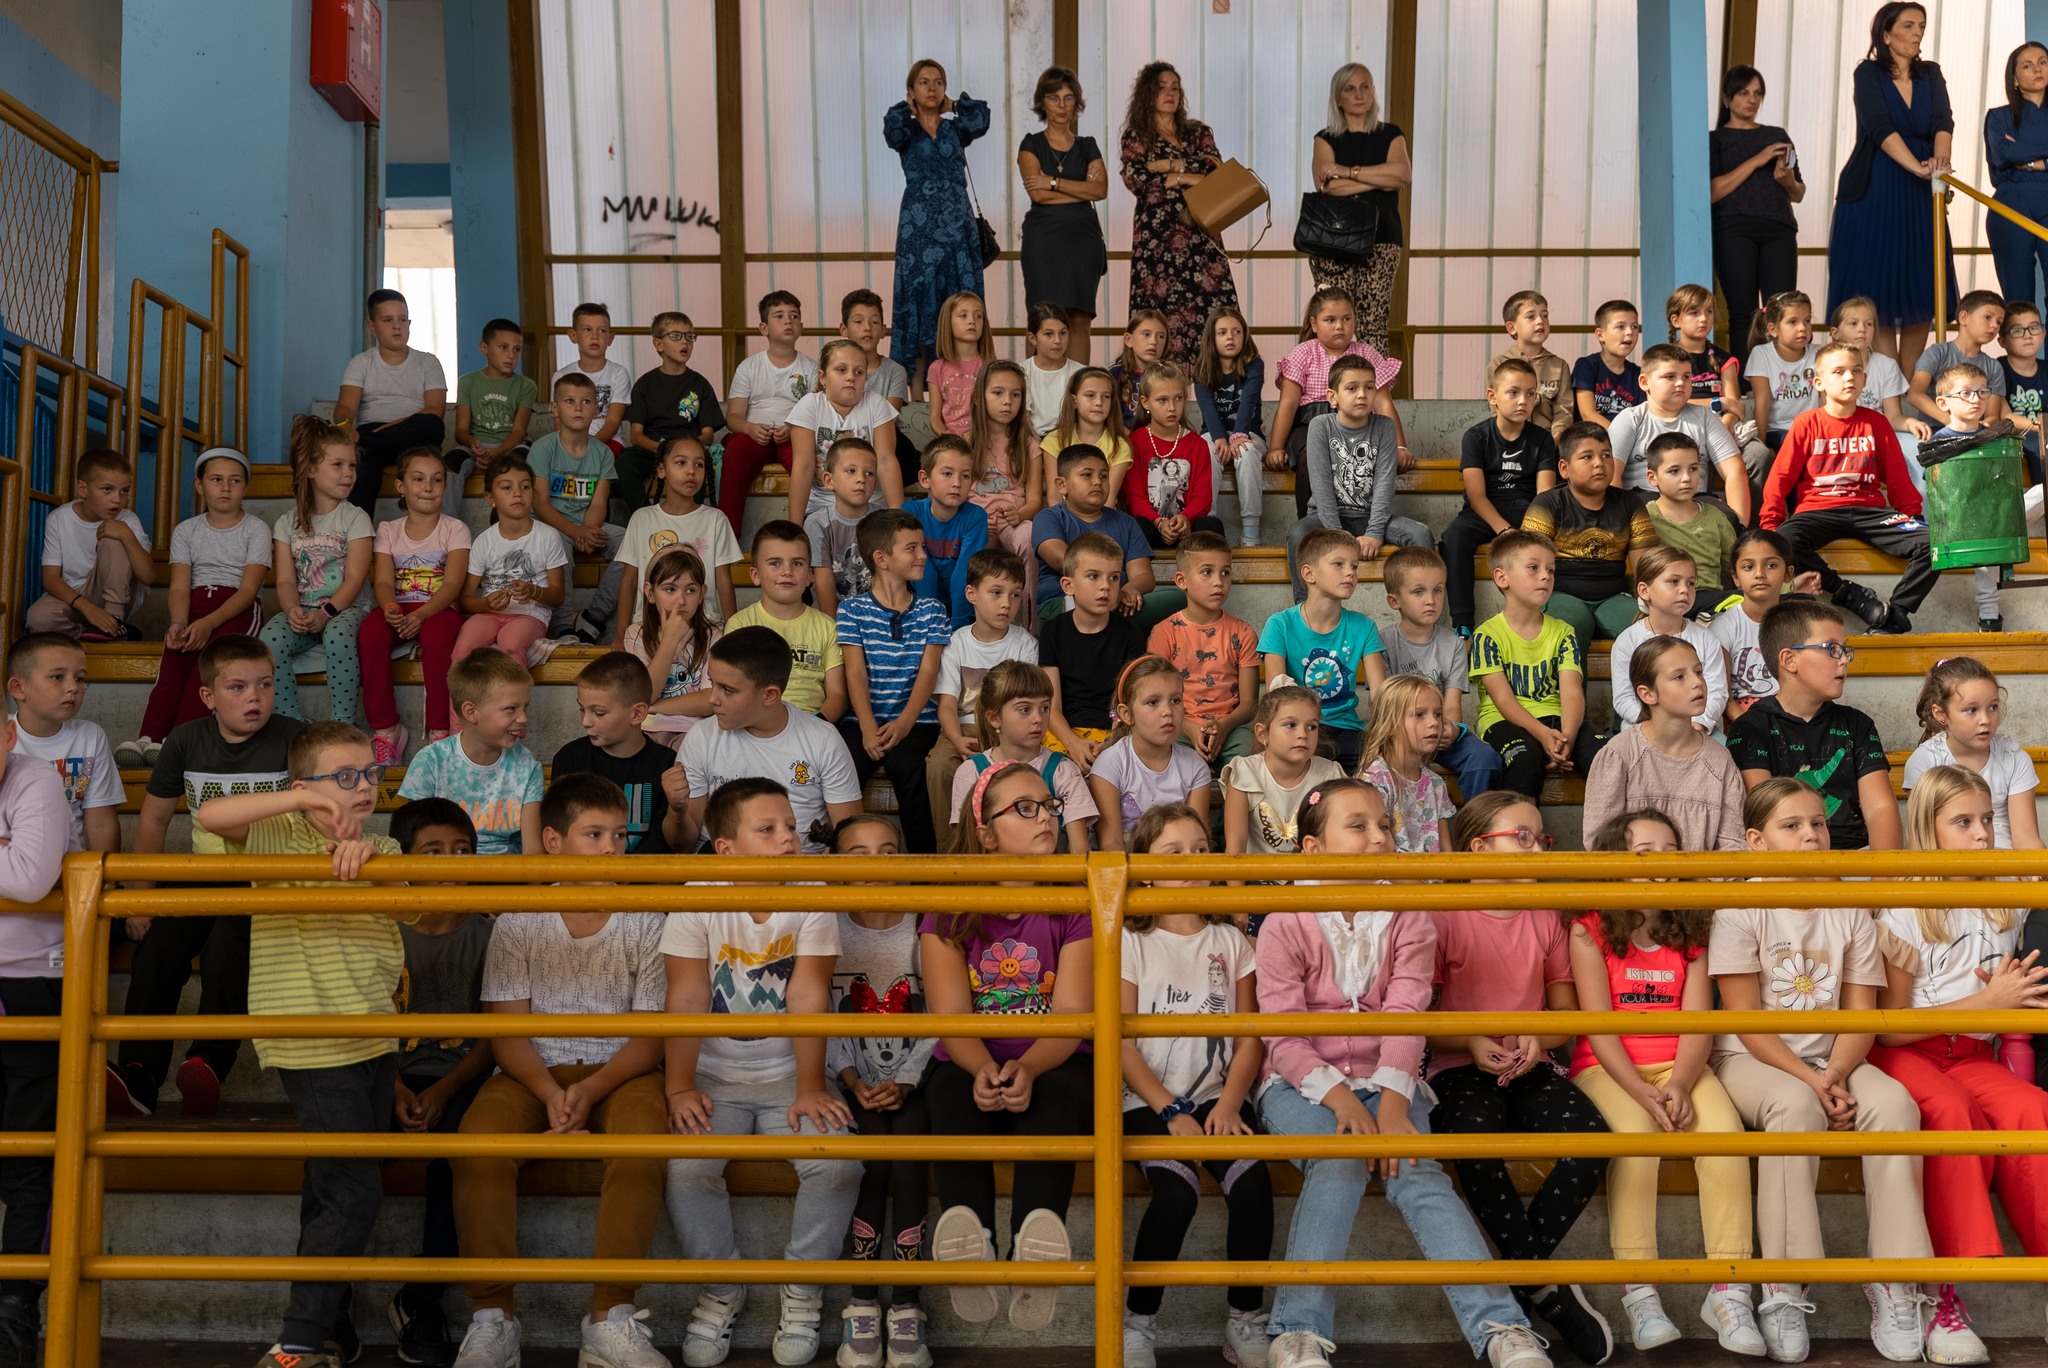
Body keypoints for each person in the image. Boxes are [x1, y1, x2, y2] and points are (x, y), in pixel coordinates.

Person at [1255, 779, 1553, 1368]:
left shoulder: (1409, 915)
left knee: (1416, 1170)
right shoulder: (1284, 921)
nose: (1378, 837)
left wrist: (1392, 1099)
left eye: (1385, 826)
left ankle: (1501, 1327)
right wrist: (1342, 1101)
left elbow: (1407, 1011)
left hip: (1389, 1076)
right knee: (1340, 1161)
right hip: (1300, 1084)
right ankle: (1297, 1331)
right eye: (1358, 826)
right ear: (1313, 848)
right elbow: (1283, 1035)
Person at [1710, 778, 1946, 1366]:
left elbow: (1861, 1014)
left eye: (1817, 823)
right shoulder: (1738, 909)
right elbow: (1745, 1022)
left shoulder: (1848, 906)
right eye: (1792, 826)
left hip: (1833, 1059)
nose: (1812, 835)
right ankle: (1786, 1285)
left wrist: (1834, 1072)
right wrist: (1815, 1083)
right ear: (1756, 841)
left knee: (1894, 1105)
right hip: (1753, 1059)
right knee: (1794, 1108)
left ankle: (1896, 1279)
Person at [196, 721, 404, 1368]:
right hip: (311, 1039)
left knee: (329, 1188)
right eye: (343, 777)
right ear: (304, 786)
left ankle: (330, 1327)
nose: (363, 786)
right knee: (354, 1193)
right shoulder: (278, 833)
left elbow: (420, 907)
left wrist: (372, 866)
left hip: (375, 1037)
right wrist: (296, 800)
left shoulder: (385, 847)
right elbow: (208, 814)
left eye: (370, 773)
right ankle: (298, 1343)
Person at [449, 774, 673, 1368]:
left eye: (619, 835)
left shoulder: (648, 916)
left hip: (622, 1072)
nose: (611, 848)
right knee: (477, 1145)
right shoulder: (520, 917)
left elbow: (651, 1035)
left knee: (644, 1143)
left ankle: (610, 1317)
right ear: (553, 841)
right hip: (531, 1072)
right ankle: (493, 1318)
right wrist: (550, 1090)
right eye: (593, 835)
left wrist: (592, 1088)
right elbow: (507, 1030)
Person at [1431, 790, 1617, 1367]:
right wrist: (1471, 1040)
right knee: (1473, 1142)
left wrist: (1541, 1037)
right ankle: (1550, 1295)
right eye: (1524, 837)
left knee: (1592, 1141)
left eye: (1542, 839)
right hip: (1459, 1065)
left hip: (1531, 1064)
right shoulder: (1441, 914)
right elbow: (1418, 1020)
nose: (1539, 848)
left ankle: (1519, 1283)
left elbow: (1563, 1013)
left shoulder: (1545, 917)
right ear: (1478, 848)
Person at [1566, 810, 1761, 1358]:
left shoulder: (1691, 926)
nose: (1661, 862)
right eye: (1644, 852)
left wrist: (1680, 1081)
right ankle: (1640, 1291)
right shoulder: (1589, 928)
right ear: (1614, 862)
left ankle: (1729, 1289)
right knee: (1636, 1141)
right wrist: (1640, 1091)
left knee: (1724, 1139)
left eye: (1671, 850)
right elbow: (1598, 1026)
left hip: (1682, 1065)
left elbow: (1699, 1020)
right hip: (1609, 1068)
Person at [1870, 766, 2048, 1354]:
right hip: (1910, 1054)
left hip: (1973, 1053)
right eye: (1963, 822)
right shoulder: (1904, 908)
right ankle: (1942, 1295)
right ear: (1928, 829)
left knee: (2033, 1112)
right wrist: (1987, 1002)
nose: (1982, 834)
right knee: (1951, 1114)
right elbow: (1890, 1030)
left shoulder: (2006, 898)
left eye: (1988, 820)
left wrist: (2006, 996)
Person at [924, 762, 1093, 1334]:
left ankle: (1033, 1253)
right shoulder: (949, 906)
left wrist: (1028, 1066)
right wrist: (981, 1068)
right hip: (969, 1058)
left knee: (1058, 1097)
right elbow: (950, 1017)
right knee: (949, 1094)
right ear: (987, 834)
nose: (1045, 816)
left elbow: (1071, 1016)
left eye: (1048, 805)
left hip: (1054, 1059)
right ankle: (970, 1242)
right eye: (1025, 808)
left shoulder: (1075, 899)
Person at [112, 636, 300, 1119]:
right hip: (203, 877)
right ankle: (138, 1072)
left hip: (268, 882)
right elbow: (153, 820)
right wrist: (141, 901)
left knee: (226, 947)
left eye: (265, 684)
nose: (255, 696)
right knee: (158, 947)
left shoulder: (295, 739)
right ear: (208, 696)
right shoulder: (185, 740)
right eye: (238, 687)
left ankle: (208, 1062)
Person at [1118, 804, 1271, 1368]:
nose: (1191, 861)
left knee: (1252, 1185)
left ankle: (1245, 1319)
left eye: (1201, 850)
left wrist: (1230, 1103)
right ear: (1144, 870)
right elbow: (1121, 1043)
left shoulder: (1232, 941)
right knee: (1177, 1192)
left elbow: (1250, 1037)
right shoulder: (1129, 942)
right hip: (1147, 1099)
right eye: (1173, 853)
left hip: (1218, 1096)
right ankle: (1138, 1323)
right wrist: (1167, 1110)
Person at [821, 814, 937, 1368]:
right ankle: (862, 1302)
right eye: (860, 853)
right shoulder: (827, 929)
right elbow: (818, 1017)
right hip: (849, 1083)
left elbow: (942, 1016)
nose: (877, 863)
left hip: (913, 1081)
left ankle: (907, 1304)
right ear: (836, 867)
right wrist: (852, 1080)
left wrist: (907, 1078)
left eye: (890, 851)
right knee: (868, 1159)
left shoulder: (922, 928)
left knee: (910, 1156)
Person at [382, 797, 492, 1368]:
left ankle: (423, 1299)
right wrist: (396, 1089)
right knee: (338, 1149)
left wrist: (444, 1090)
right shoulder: (381, 930)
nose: (450, 861)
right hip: (384, 1072)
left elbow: (493, 1037)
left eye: (462, 850)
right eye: (432, 851)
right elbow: (362, 1025)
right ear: (403, 860)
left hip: (462, 1077)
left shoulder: (490, 933)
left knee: (460, 1151)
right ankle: (328, 1301)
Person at [1762, 341, 1934, 635]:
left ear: (1865, 380)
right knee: (1784, 538)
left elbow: (1898, 479)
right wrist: (1770, 525)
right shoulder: (1806, 423)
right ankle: (1847, 593)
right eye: (1838, 372)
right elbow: (1779, 479)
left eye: (1856, 371)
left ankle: (1895, 614)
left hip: (1871, 512)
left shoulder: (1877, 423)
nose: (1849, 378)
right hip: (1818, 511)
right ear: (1819, 383)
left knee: (1934, 542)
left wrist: (1912, 519)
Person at [1826, 2, 1957, 366]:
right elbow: (1879, 126)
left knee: (1922, 283)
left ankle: (1910, 379)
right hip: (1874, 188)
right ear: (1886, 35)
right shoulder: (1868, 73)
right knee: (1876, 285)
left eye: (1922, 26)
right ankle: (1889, 384)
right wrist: (1917, 167)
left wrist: (1939, 164)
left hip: (1921, 192)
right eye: (1909, 25)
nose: (1918, 33)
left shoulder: (1931, 73)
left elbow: (1943, 121)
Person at [0, 704, 69, 1361]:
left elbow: (29, 878)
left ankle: (14, 1308)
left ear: (8, 734)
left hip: (27, 984)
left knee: (27, 1156)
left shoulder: (36, 779)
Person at [666, 626, 863, 854]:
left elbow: (849, 838)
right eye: (713, 683)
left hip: (802, 869)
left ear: (769, 695)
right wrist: (677, 811)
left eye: (727, 690)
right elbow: (681, 844)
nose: (713, 699)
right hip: (722, 869)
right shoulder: (701, 737)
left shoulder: (823, 740)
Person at [129, 446, 268, 760]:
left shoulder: (256, 529)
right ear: (199, 485)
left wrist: (208, 624)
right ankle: (149, 739)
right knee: (172, 667)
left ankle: (180, 741)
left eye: (235, 481)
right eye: (216, 479)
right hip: (193, 606)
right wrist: (178, 622)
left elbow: (248, 590)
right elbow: (179, 586)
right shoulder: (186, 530)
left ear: (246, 487)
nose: (225, 487)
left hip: (236, 608)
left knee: (206, 670)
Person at [1727, 600, 1898, 852]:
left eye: (1844, 649)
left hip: (1858, 857)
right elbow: (1765, 814)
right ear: (1789, 659)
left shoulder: (1857, 724)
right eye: (1832, 649)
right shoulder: (1751, 728)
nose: (1844, 660)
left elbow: (1881, 809)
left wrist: (1881, 873)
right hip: (1788, 859)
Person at [837, 509, 950, 854]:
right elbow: (855, 672)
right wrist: (868, 727)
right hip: (863, 720)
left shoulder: (932, 610)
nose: (922, 555)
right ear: (882, 559)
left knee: (909, 768)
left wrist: (904, 723)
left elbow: (928, 672)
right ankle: (841, 861)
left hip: (917, 722)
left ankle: (924, 870)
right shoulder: (852, 610)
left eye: (922, 546)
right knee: (842, 768)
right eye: (911, 548)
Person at [1120, 61, 1241, 363]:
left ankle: (1215, 385)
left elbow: (1216, 172)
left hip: (1201, 234)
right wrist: (1190, 173)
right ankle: (1161, 386)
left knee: (1214, 313)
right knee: (1158, 318)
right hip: (1157, 242)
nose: (1170, 93)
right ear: (1147, 94)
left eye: (1175, 87)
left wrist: (1170, 168)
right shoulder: (1137, 137)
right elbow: (1138, 181)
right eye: (1161, 88)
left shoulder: (1199, 133)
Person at [1471, 530, 1606, 796]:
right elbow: (1504, 701)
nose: (1545, 576)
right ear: (1501, 577)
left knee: (1605, 757)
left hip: (1559, 719)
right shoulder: (1487, 636)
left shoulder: (1564, 632)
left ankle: (1611, 825)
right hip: (1503, 721)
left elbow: (1571, 691)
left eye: (1550, 570)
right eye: (1533, 568)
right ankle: (1521, 823)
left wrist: (1567, 736)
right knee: (1524, 760)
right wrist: (1544, 735)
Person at [1287, 353, 1431, 602]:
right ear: (1333, 396)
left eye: (1369, 387)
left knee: (1421, 534)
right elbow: (1321, 486)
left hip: (1370, 517)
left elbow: (1385, 483)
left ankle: (1418, 606)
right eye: (1352, 388)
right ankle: (1303, 607)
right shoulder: (1321, 426)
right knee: (1297, 533)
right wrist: (1337, 536)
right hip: (1325, 518)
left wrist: (1374, 533)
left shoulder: (1385, 427)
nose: (1362, 395)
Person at [258, 417, 373, 727]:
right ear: (310, 469)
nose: (348, 473)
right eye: (337, 465)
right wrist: (292, 610)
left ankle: (342, 723)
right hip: (306, 610)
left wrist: (327, 613)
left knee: (337, 635)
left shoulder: (355, 518)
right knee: (269, 639)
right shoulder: (287, 523)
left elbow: (355, 578)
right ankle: (290, 723)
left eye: (352, 465)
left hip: (347, 608)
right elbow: (285, 580)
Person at [1582, 636, 1747, 851]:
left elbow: (1733, 843)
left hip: (1701, 874)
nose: (1697, 682)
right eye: (1679, 677)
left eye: (1698, 672)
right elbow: (1600, 842)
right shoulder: (1620, 754)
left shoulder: (1720, 760)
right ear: (1648, 694)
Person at [359, 447, 471, 764]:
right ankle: (386, 729)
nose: (428, 487)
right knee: (370, 632)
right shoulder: (388, 530)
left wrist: (423, 614)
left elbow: (452, 585)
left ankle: (440, 730)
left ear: (445, 486)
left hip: (440, 610)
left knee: (437, 636)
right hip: (400, 608)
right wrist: (389, 607)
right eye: (418, 479)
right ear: (401, 486)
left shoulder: (455, 529)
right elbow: (383, 581)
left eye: (437, 480)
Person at [885, 60, 990, 387]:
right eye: (923, 82)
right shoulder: (905, 129)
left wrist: (954, 105)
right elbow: (892, 131)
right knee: (917, 303)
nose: (932, 88)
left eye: (938, 82)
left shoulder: (954, 128)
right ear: (911, 90)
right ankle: (916, 400)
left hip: (958, 226)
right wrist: (908, 107)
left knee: (961, 304)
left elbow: (981, 118)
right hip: (918, 227)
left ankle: (964, 391)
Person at [1268, 288, 1411, 518]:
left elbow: (1384, 404)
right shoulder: (1303, 354)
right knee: (1309, 455)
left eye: (1346, 319)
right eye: (1330, 320)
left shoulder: (1367, 354)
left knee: (1367, 455)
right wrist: (1275, 448)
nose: (1339, 326)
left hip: (1359, 426)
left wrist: (1400, 447)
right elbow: (1288, 405)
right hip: (1309, 426)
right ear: (1314, 323)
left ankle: (1365, 521)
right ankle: (1311, 524)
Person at [1442, 358, 1559, 634]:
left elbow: (1545, 496)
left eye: (1531, 394)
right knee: (1453, 538)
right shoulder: (1476, 437)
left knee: (1552, 538)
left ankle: (1545, 615)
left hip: (1528, 509)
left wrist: (1529, 530)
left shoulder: (1542, 439)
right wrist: (1505, 531)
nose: (1523, 401)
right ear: (1492, 396)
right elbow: (1476, 496)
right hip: (1484, 511)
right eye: (1513, 392)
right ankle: (1462, 622)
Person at [928, 548, 1036, 840]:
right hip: (963, 727)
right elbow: (947, 705)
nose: (1007, 604)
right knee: (939, 765)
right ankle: (949, 849)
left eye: (1015, 595)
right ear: (971, 594)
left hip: (1007, 729)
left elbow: (1026, 704)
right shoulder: (956, 643)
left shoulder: (1025, 645)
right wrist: (956, 740)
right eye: (996, 593)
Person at [1379, 546, 1504, 799]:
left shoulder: (1453, 644)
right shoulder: (1384, 642)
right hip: (1399, 733)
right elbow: (1384, 705)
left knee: (1485, 758)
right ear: (1394, 601)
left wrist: (1451, 728)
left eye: (1437, 590)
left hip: (1439, 731)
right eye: (1419, 592)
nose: (1431, 600)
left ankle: (1476, 820)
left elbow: (1452, 704)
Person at [1258, 527, 1386, 770]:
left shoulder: (1364, 626)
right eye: (1338, 564)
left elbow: (1380, 696)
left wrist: (1384, 738)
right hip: (1301, 727)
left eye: (1354, 566)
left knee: (1378, 763)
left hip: (1347, 729)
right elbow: (1278, 693)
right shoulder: (1280, 624)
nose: (1350, 572)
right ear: (1309, 573)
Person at [398, 646, 545, 855]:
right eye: (511, 709)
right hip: (448, 870)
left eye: (525, 707)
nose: (523, 718)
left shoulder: (526, 766)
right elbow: (412, 844)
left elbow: (533, 851)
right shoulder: (431, 762)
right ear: (471, 712)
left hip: (508, 872)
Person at [1521, 423, 1656, 650]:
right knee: (1571, 626)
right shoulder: (1547, 504)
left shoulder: (1630, 503)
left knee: (1648, 629)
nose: (1599, 463)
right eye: (1587, 457)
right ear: (1564, 468)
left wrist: (1650, 606)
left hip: (1613, 596)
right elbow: (1529, 563)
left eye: (1606, 455)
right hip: (1560, 595)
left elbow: (1645, 566)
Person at [1306, 63, 1410, 353]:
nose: (1359, 94)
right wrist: (1380, 180)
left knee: (1374, 323)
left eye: (1365, 87)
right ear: (1339, 98)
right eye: (1350, 89)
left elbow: (1402, 175)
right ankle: (1332, 380)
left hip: (1383, 238)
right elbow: (1328, 187)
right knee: (1334, 321)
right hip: (1334, 241)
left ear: (1374, 91)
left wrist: (1347, 172)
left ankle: (1373, 381)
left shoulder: (1391, 134)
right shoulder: (1325, 138)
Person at [945, 660, 1099, 851]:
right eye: (1025, 709)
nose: (1038, 718)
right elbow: (967, 849)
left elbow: (1080, 851)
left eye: (1044, 708)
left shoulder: (1063, 770)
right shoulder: (970, 772)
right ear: (994, 718)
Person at [1711, 67, 1806, 353]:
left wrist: (1787, 180)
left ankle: (1783, 374)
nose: (1752, 100)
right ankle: (1746, 376)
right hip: (1733, 230)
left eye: (1757, 93)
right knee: (1744, 312)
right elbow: (1712, 191)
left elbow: (1798, 193)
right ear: (1726, 98)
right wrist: (1758, 159)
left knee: (1783, 310)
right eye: (1743, 93)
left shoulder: (1777, 135)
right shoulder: (1715, 140)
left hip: (1779, 229)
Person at [525, 372, 626, 641]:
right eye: (569, 401)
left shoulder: (602, 452)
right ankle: (562, 625)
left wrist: (587, 530)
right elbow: (540, 504)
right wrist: (575, 532)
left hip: (587, 524)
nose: (578, 408)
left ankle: (593, 616)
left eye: (586, 402)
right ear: (554, 407)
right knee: (556, 542)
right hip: (551, 525)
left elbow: (599, 502)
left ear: (596, 409)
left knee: (630, 541)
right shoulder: (543, 448)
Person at [1902, 656, 2043, 849]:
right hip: (1949, 862)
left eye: (1993, 707)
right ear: (1940, 714)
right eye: (1971, 710)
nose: (1985, 719)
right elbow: (1923, 838)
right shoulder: (1925, 761)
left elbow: (2026, 838)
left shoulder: (2014, 758)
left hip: (2006, 861)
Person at [451, 457, 570, 682]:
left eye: (525, 487)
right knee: (464, 648)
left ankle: (515, 703)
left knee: (511, 644)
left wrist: (533, 591)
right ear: (490, 498)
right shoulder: (484, 541)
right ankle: (462, 707)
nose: (517, 493)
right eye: (507, 487)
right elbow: (464, 600)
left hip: (530, 615)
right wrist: (486, 604)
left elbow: (558, 596)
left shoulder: (548, 536)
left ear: (533, 493)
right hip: (489, 614)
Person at [5, 633, 121, 863]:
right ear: (18, 688)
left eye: (80, 679)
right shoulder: (3, 737)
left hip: (70, 870)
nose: (73, 687)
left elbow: (100, 822)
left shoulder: (90, 737)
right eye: (57, 677)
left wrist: (105, 877)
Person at [1019, 68, 1109, 364]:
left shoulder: (1087, 145)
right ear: (1042, 102)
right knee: (1041, 318)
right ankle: (1035, 388)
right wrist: (1081, 188)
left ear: (1076, 103)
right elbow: (1038, 194)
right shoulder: (1031, 144)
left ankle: (1080, 388)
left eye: (1068, 97)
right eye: (1053, 97)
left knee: (1080, 320)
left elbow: (1100, 189)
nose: (1061, 104)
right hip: (1043, 243)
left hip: (1083, 242)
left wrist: (1054, 182)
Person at [1147, 532, 1258, 768]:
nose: (1219, 581)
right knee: (1170, 759)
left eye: (1225, 572)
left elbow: (1249, 703)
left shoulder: (1243, 633)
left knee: (1249, 763)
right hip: (1179, 724)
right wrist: (1187, 726)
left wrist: (1224, 726)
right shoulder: (1164, 633)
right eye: (1207, 572)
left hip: (1232, 725)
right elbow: (1156, 695)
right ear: (1182, 581)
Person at [1609, 343, 1751, 525]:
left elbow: (1734, 471)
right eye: (1670, 377)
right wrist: (1617, 524)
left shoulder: (1705, 417)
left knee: (1728, 520)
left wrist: (1739, 526)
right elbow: (1611, 473)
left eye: (1686, 377)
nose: (1680, 383)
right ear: (1645, 382)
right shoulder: (1630, 419)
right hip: (1644, 502)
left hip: (1696, 502)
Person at [335, 288, 447, 513]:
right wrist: (344, 425)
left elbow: (435, 410)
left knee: (434, 425)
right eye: (388, 320)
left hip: (413, 436)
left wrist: (380, 433)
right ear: (372, 326)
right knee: (363, 465)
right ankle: (358, 531)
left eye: (402, 320)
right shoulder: (360, 363)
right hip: (373, 435)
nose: (397, 326)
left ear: (409, 323)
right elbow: (345, 406)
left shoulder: (428, 362)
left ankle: (365, 443)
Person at [1041, 533, 1147, 767]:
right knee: (1055, 769)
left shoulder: (1130, 635)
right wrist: (1073, 743)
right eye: (1093, 576)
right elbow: (1052, 707)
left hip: (1113, 726)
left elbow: (1125, 703)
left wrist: (1110, 743)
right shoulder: (1052, 631)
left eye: (1114, 577)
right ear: (1068, 585)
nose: (1105, 586)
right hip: (1064, 729)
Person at [617, 435, 742, 633]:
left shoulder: (716, 519)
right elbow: (629, 580)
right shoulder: (642, 519)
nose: (691, 471)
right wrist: (620, 632)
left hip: (702, 626)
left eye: (699, 465)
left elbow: (723, 581)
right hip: (650, 627)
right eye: (681, 462)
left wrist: (732, 631)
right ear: (661, 470)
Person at [1922, 360, 2014, 631]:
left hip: (1989, 514)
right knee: (1987, 531)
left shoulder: (1993, 438)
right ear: (1943, 403)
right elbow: (1937, 492)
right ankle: (1989, 611)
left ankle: (1989, 613)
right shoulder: (1937, 443)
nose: (1976, 399)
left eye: (1983, 392)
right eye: (1966, 393)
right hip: (1956, 518)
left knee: (2038, 495)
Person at [1032, 446, 1170, 624]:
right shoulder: (1048, 518)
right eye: (1087, 475)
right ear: (1062, 485)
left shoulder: (1127, 522)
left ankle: (1110, 623)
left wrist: (1129, 590)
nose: (1097, 481)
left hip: (1119, 602)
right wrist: (1108, 589)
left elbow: (1143, 575)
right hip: (1064, 602)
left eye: (1104, 476)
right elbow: (1063, 561)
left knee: (1177, 598)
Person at [553, 652, 673, 852]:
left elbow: (662, 842)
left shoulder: (666, 763)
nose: (585, 721)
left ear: (637, 713)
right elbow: (564, 834)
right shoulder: (571, 759)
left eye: (599, 713)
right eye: (582, 709)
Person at [726, 522, 847, 720]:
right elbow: (732, 690)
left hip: (811, 724)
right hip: (754, 724)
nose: (787, 571)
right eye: (775, 563)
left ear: (809, 576)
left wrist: (814, 727)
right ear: (755, 575)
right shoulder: (740, 625)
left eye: (797, 563)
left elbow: (837, 695)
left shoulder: (827, 627)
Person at [29, 446, 151, 641]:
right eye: (107, 489)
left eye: (124, 491)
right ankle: (88, 635)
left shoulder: (127, 520)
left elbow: (148, 576)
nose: (117, 499)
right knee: (38, 617)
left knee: (114, 535)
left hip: (117, 597)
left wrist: (126, 534)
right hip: (76, 598)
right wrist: (88, 608)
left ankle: (115, 621)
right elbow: (50, 578)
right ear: (83, 489)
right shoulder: (58, 518)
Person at [721, 291, 820, 532]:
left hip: (794, 435)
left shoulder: (812, 369)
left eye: (794, 316)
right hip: (755, 435)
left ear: (801, 327)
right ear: (763, 328)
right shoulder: (749, 367)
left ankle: (806, 531)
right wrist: (750, 428)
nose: (788, 321)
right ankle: (728, 535)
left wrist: (794, 428)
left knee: (806, 458)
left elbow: (817, 413)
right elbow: (733, 417)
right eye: (779, 316)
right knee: (735, 452)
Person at [1087, 656, 1210, 849]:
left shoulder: (1195, 766)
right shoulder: (1109, 765)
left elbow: (1196, 842)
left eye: (1176, 700)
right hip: (1125, 865)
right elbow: (1111, 843)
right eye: (1153, 702)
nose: (1168, 711)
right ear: (1126, 714)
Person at [1606, 547, 1730, 731]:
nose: (1685, 590)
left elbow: (1717, 692)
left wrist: (1699, 724)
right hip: (1644, 729)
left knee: (1719, 748)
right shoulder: (1628, 641)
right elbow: (1624, 698)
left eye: (1691, 583)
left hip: (1696, 730)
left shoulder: (1706, 638)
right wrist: (1656, 726)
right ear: (1644, 590)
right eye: (1673, 581)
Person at [788, 338, 905, 525]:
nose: (851, 377)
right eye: (841, 370)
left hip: (871, 506)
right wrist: (795, 527)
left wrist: (899, 520)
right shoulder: (810, 405)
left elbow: (886, 461)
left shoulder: (876, 404)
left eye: (859, 372)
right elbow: (804, 466)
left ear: (866, 378)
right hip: (821, 507)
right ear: (823, 377)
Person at [622, 310, 722, 519]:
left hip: (688, 450)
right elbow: (636, 435)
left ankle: (690, 520)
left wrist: (684, 449)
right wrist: (662, 449)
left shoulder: (700, 384)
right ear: (658, 344)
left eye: (690, 336)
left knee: (695, 465)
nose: (684, 342)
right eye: (675, 336)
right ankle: (646, 517)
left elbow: (707, 435)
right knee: (623, 464)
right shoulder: (645, 384)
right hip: (654, 449)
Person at [1220, 686, 1340, 857]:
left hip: (1313, 871)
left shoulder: (1330, 774)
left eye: (1312, 727)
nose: (1303, 734)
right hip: (1257, 871)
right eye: (1291, 725)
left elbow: (1338, 842)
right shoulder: (1245, 772)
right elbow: (1235, 847)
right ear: (1262, 734)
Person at [622, 545, 719, 747]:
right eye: (670, 589)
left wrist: (652, 706)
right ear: (650, 592)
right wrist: (670, 640)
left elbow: (709, 700)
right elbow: (645, 694)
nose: (680, 600)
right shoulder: (636, 634)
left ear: (702, 594)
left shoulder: (713, 636)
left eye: (690, 590)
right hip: (644, 731)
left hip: (692, 733)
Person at [1125, 361, 1225, 550]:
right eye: (1162, 400)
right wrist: (1159, 522)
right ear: (1145, 402)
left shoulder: (1198, 444)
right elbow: (1135, 497)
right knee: (1137, 526)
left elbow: (1202, 498)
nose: (1172, 407)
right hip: (1152, 527)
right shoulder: (1135, 442)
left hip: (1186, 529)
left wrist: (1186, 518)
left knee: (1211, 525)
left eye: (1178, 398)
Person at [1191, 305, 1268, 544]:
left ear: (1244, 335)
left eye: (1236, 331)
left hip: (1249, 431)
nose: (1230, 338)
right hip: (1214, 433)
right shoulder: (1203, 370)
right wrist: (1220, 439)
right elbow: (1208, 410)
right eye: (1222, 332)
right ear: (1212, 338)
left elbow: (1248, 403)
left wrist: (1238, 435)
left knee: (1246, 452)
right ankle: (1209, 522)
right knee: (1206, 452)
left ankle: (1251, 529)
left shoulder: (1254, 365)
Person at [1356, 673, 1455, 854]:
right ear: (1390, 725)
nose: (1434, 722)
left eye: (1438, 714)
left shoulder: (1436, 783)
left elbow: (1447, 853)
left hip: (1434, 871)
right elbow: (1373, 851)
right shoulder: (1374, 780)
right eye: (1419, 714)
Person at [965, 360, 1041, 593]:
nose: (1008, 401)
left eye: (1015, 394)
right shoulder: (964, 443)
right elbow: (954, 496)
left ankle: (1028, 612)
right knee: (965, 535)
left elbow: (1035, 501)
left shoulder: (1029, 445)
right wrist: (976, 520)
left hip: (1012, 524)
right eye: (998, 393)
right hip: (977, 524)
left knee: (1028, 534)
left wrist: (1019, 515)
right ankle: (966, 609)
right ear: (978, 397)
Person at [1640, 433, 1738, 609]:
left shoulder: (1716, 517)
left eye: (1693, 469)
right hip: (1667, 599)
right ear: (1652, 477)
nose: (1686, 478)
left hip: (1712, 598)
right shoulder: (1645, 518)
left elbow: (1737, 564)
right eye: (1674, 471)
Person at [1710, 527, 1798, 720]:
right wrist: (1750, 728)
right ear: (1735, 577)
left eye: (1771, 565)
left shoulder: (1800, 626)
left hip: (1791, 717)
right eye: (1748, 567)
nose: (1759, 574)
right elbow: (1725, 698)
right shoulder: (1723, 627)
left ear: (1788, 573)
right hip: (1743, 720)